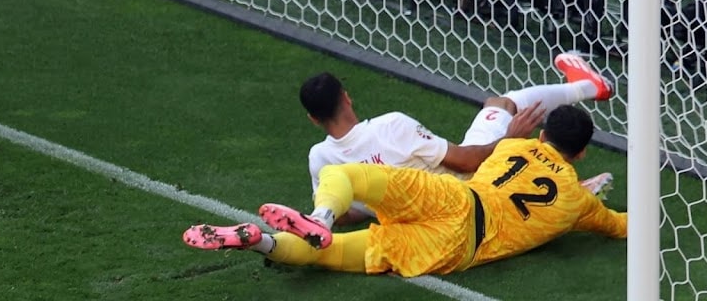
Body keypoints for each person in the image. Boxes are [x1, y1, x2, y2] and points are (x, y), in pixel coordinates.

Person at [182, 104, 626, 277]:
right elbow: (622, 227)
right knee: (332, 255)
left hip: (452, 196)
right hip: (457, 246)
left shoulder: (514, 144)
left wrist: (511, 130)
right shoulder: (578, 202)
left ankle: (320, 217)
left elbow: (482, 150)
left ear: (543, 134)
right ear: (583, 154)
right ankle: (262, 241)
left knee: (352, 176)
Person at [301, 52, 614, 225]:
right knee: (501, 105)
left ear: (313, 119)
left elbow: (342, 215)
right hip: (466, 193)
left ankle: (570, 190)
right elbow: (465, 160)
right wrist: (508, 138)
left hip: (422, 226)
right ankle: (587, 87)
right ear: (347, 97)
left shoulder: (320, 159)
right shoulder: (390, 126)